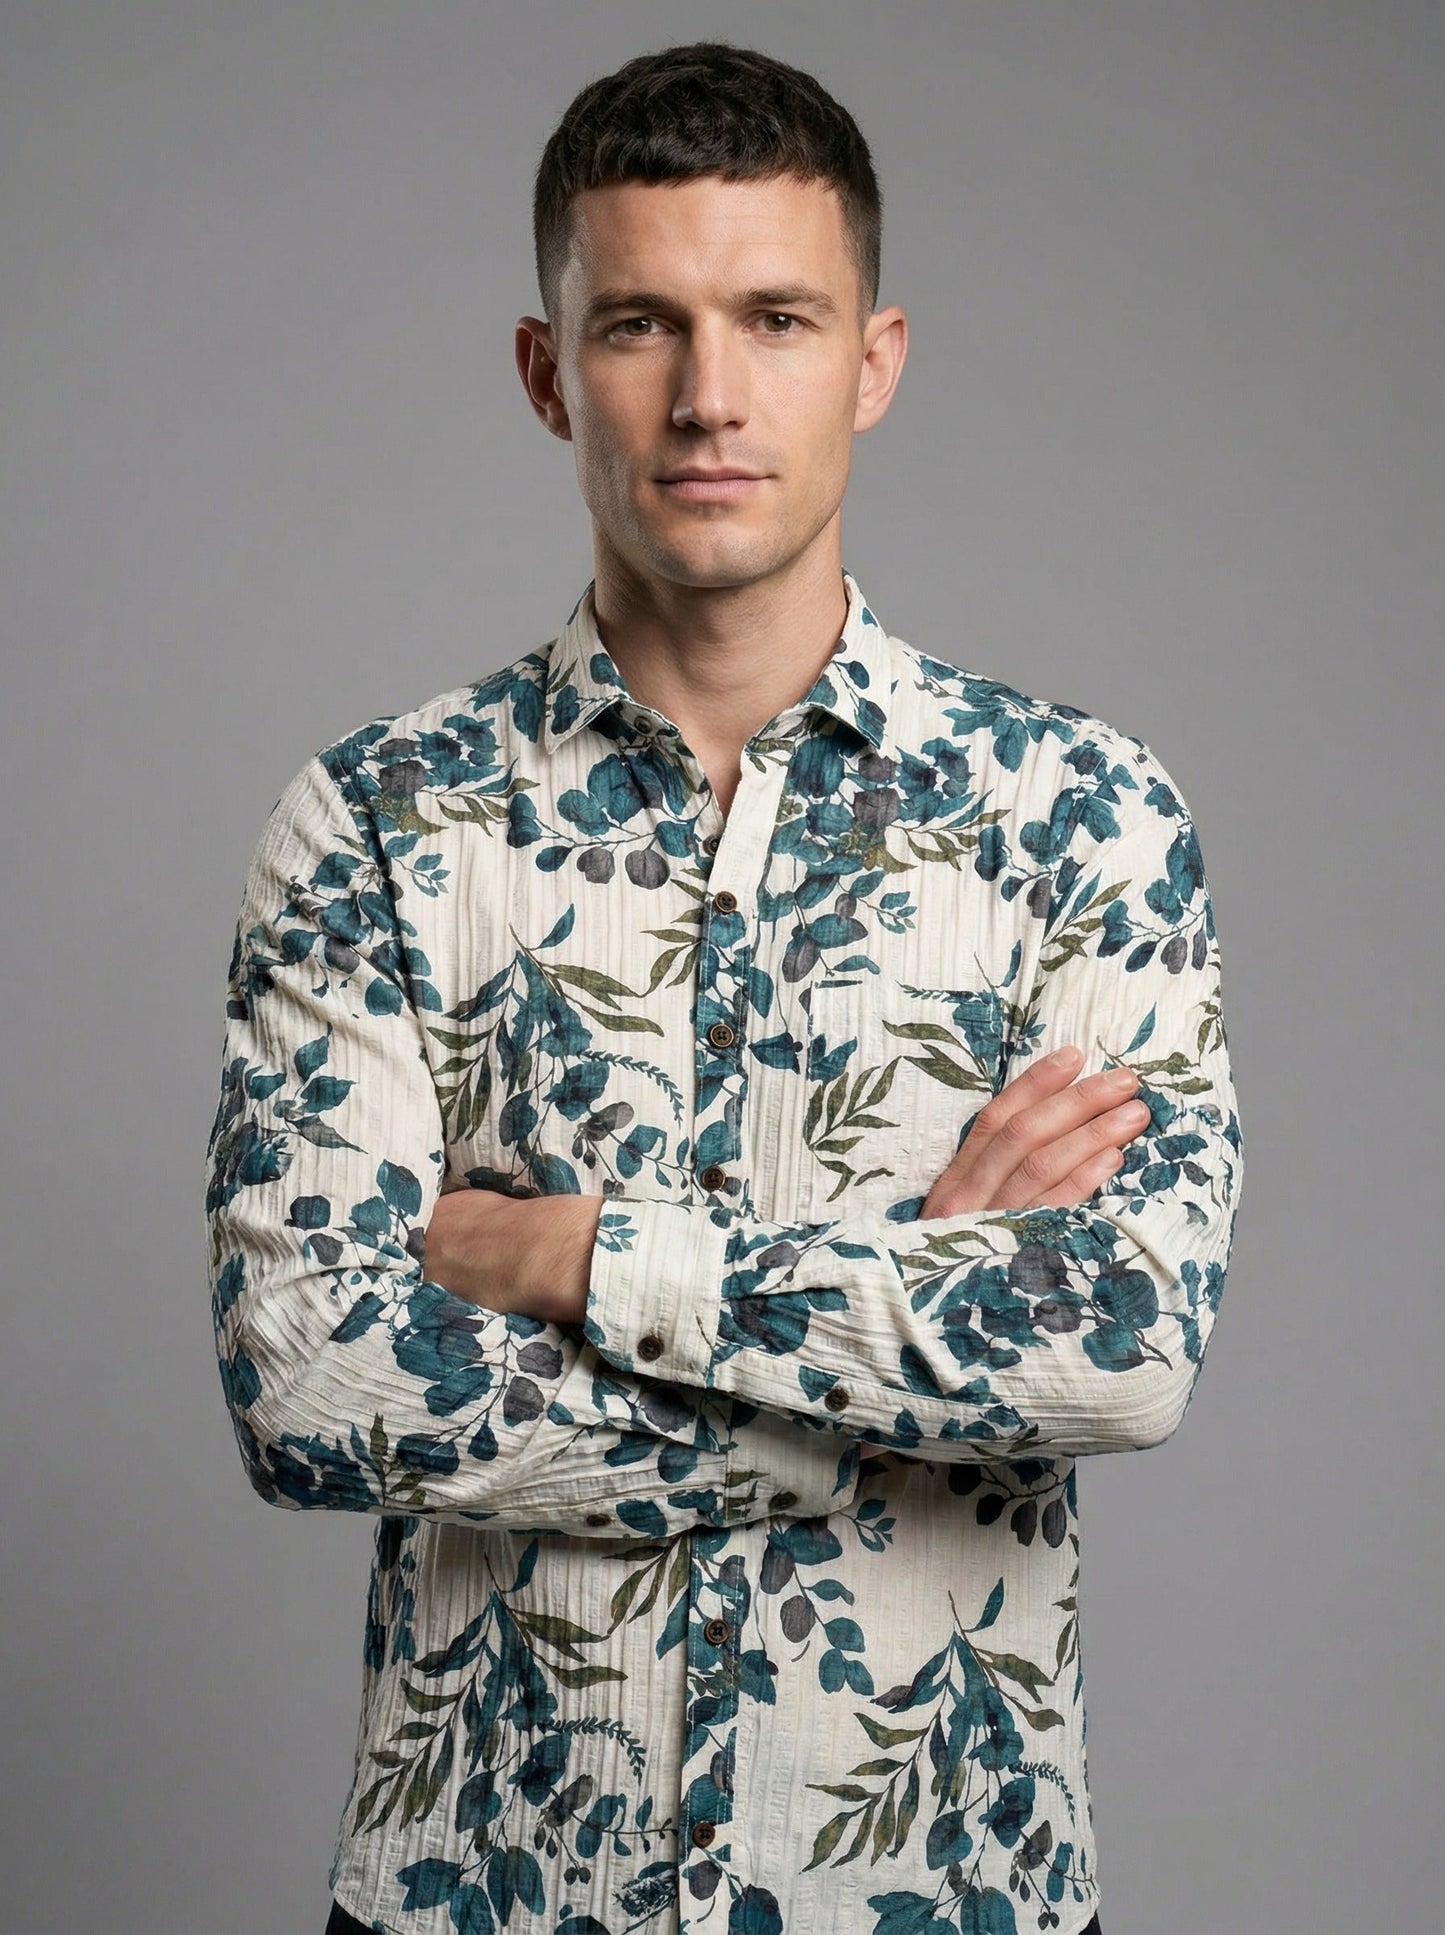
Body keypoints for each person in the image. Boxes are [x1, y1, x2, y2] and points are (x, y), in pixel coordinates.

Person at [206, 41, 1240, 1935]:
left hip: (948, 1893)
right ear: (546, 373)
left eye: (775, 317)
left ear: (874, 359)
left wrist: (585, 1263)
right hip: (480, 1890)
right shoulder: (373, 820)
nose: (705, 397)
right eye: (636, 325)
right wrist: (907, 1331)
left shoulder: (1076, 814)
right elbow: (316, 1382)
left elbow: (1120, 1348)